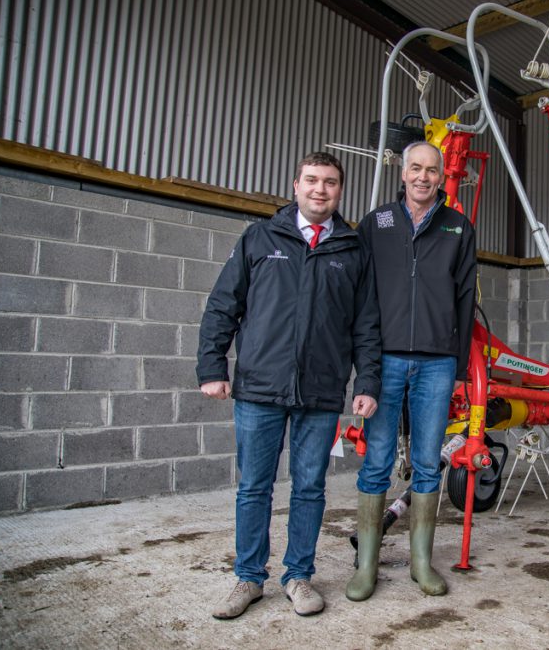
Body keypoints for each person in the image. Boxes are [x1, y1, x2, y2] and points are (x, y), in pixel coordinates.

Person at [196, 152, 381, 619]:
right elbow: (224, 304)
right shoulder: (260, 237)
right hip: (260, 385)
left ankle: (298, 576)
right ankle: (248, 578)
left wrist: (368, 380)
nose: (321, 190)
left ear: (341, 191)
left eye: (331, 183)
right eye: (312, 180)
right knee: (254, 487)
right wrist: (212, 367)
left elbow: (366, 325)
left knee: (310, 488)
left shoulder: (353, 249)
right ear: (295, 185)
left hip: (320, 390)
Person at [347, 141, 476, 601]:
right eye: (415, 169)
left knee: (426, 461)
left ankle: (421, 561)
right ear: (403, 174)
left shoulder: (458, 226)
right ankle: (367, 564)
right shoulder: (376, 223)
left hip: (437, 362)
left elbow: (464, 299)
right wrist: (365, 362)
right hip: (385, 359)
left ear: (442, 177)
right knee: (377, 459)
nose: (423, 177)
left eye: (432, 170)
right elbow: (361, 297)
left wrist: (458, 365)